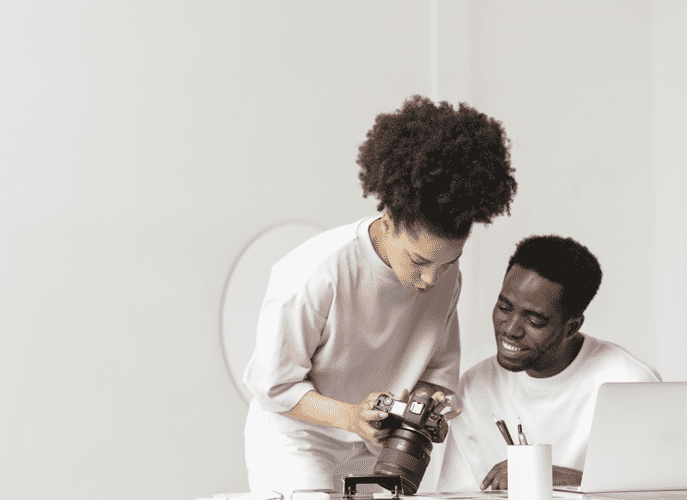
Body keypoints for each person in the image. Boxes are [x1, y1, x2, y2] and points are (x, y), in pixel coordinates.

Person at [242, 95, 518, 494]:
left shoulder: (444, 273)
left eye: (447, 262)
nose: (430, 279)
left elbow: (435, 370)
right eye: (419, 261)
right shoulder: (316, 272)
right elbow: (276, 386)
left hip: (377, 442)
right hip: (299, 439)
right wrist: (352, 416)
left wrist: (429, 406)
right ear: (388, 221)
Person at [436, 235, 661, 492]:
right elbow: (457, 494)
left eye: (534, 322)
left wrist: (571, 481)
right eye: (504, 307)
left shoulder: (629, 382)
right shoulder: (475, 386)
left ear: (572, 327)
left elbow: (658, 492)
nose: (510, 329)